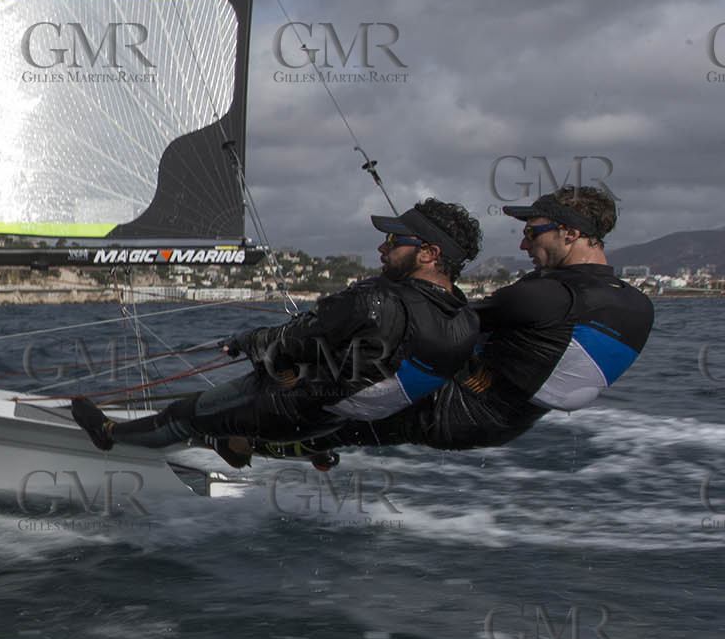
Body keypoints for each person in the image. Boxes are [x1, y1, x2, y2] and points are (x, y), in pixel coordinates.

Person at [71, 199, 482, 463]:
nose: (382, 248)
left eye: (393, 240)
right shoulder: (464, 322)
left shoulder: (377, 302)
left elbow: (289, 343)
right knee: (275, 400)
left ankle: (108, 434)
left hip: (289, 406)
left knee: (185, 416)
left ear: (429, 253)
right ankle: (244, 443)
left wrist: (248, 342)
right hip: (332, 420)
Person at [278, 185, 652, 456]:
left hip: (456, 409)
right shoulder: (636, 303)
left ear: (570, 234)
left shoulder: (548, 295)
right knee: (342, 418)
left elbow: (439, 326)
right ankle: (306, 443)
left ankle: (237, 439)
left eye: (531, 233)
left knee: (306, 402)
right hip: (507, 424)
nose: (524, 246)